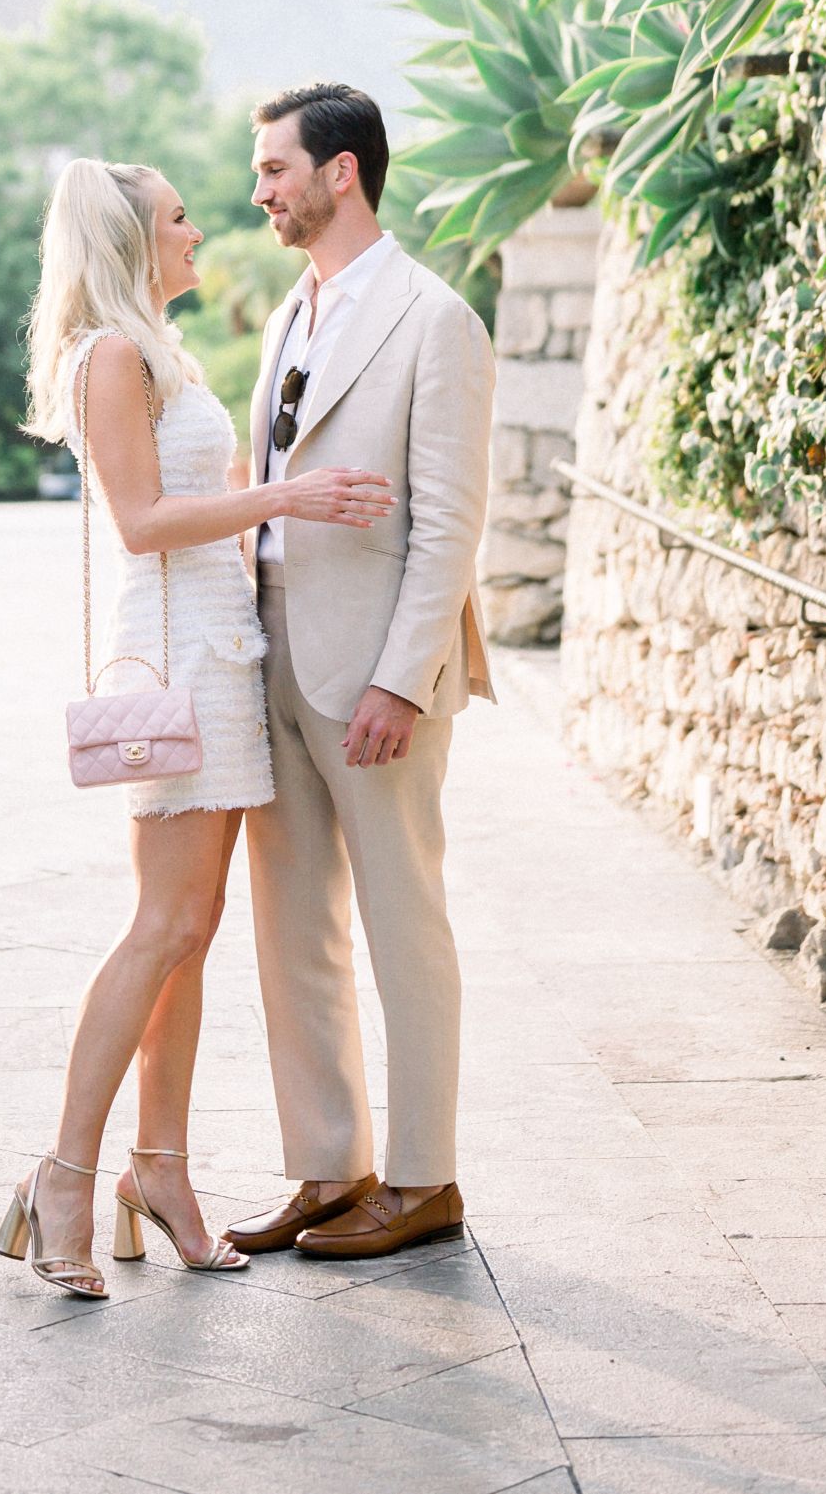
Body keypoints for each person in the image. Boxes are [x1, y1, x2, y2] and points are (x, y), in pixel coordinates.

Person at [0, 156, 394, 1298]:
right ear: (133, 240)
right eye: (179, 218)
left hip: (220, 652)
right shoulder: (112, 356)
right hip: (178, 657)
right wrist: (287, 497)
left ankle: (158, 1167)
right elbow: (142, 521)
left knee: (192, 924)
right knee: (163, 920)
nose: (200, 230)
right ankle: (65, 1173)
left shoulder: (155, 349)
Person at [225, 84, 497, 1264]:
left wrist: (401, 676)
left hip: (376, 670)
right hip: (270, 644)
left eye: (276, 167)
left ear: (342, 173)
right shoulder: (293, 309)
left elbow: (450, 526)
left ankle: (425, 1177)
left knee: (403, 921)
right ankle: (332, 1167)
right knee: (292, 926)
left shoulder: (436, 319)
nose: (260, 189)